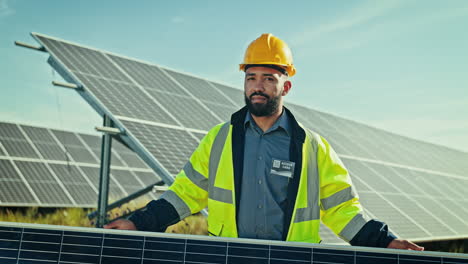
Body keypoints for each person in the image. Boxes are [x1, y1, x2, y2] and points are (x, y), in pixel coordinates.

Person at [105, 33, 423, 250]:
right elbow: (185, 194)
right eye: (251, 77)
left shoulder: (312, 148)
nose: (257, 86)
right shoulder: (219, 140)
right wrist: (138, 222)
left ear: (286, 87)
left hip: (293, 260)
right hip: (228, 257)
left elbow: (343, 210)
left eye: (268, 79)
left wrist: (383, 241)